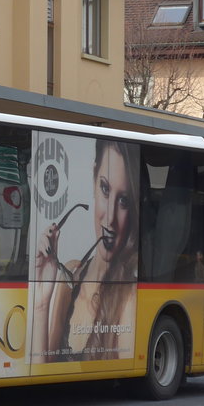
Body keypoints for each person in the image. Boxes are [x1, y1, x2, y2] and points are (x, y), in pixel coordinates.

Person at [31, 140, 138, 363]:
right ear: (93, 179)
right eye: (105, 189)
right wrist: (41, 304)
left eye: (124, 201)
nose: (109, 218)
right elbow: (45, 372)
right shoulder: (70, 275)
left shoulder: (128, 298)